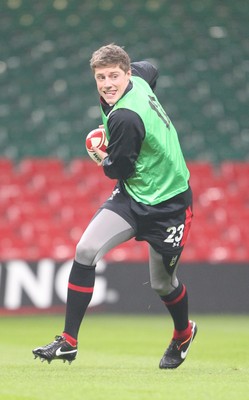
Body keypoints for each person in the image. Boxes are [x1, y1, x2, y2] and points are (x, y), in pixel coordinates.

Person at [33, 43, 197, 369]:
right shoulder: (139, 76)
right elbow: (151, 66)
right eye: (101, 77)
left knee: (163, 283)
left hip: (169, 205)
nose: (107, 84)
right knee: (85, 250)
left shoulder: (125, 117)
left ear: (126, 74)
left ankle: (183, 333)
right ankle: (68, 341)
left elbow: (117, 169)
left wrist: (99, 155)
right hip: (133, 196)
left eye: (114, 76)